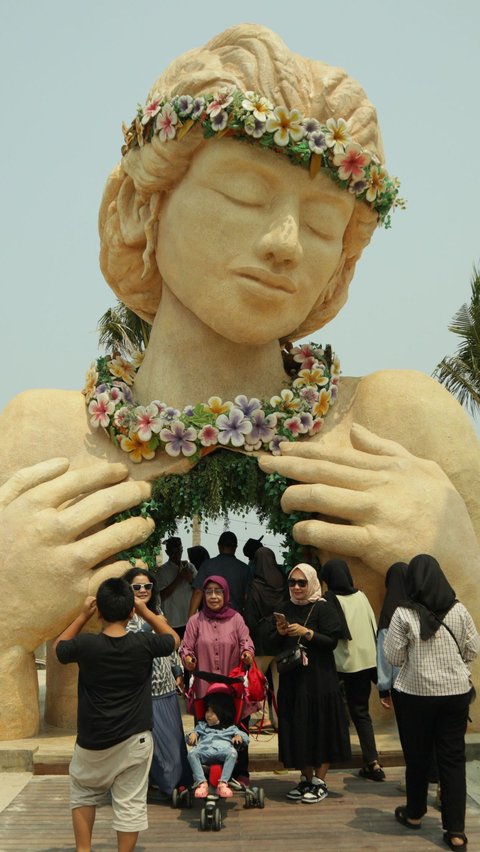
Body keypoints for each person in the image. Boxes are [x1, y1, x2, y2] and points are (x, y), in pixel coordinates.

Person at [1, 23, 480, 742]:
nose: (285, 243)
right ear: (140, 206)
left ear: (341, 263)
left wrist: (466, 575)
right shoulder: (43, 438)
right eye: (245, 192)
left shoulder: (401, 425)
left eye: (322, 220)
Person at [54, 577, 179, 852]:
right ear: (130, 611)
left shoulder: (85, 645)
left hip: (92, 741)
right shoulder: (144, 643)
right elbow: (173, 639)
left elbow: (59, 648)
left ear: (99, 610)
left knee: (84, 793)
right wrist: (146, 610)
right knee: (130, 802)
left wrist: (82, 614)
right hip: (135, 740)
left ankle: (83, 850)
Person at [384, 554, 479, 849]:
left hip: (416, 696)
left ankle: (414, 813)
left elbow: (394, 657)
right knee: (452, 759)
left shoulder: (403, 613)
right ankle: (456, 831)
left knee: (418, 757)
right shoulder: (459, 609)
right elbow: (473, 649)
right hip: (455, 695)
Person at [267, 563, 351, 803]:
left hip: (320, 680)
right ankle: (305, 779)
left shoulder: (324, 608)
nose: (296, 587)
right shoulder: (284, 607)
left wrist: (306, 632)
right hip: (293, 680)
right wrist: (280, 633)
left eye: (302, 582)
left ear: (312, 583)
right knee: (298, 727)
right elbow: (272, 645)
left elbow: (332, 641)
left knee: (321, 726)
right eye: (292, 582)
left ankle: (319, 781)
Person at [123, 566, 191, 797]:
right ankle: (151, 783)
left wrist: (176, 670)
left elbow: (171, 645)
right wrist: (150, 621)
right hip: (139, 690)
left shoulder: (157, 610)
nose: (143, 590)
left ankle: (173, 785)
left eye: (147, 586)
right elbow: (127, 643)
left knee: (171, 742)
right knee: (141, 744)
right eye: (137, 587)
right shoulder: (124, 614)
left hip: (164, 688)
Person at [181, 576, 255, 784]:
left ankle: (241, 771)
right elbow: (185, 647)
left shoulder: (236, 619)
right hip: (205, 689)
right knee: (205, 731)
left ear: (226, 594)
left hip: (231, 689)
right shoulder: (196, 621)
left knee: (237, 729)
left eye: (218, 591)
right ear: (203, 595)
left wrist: (247, 653)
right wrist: (187, 658)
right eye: (209, 591)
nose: (213, 596)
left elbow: (246, 642)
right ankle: (204, 773)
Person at [322, 558, 385, 781]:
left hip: (337, 665)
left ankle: (330, 757)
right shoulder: (361, 596)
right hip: (365, 663)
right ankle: (373, 761)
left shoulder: (328, 599)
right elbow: (373, 627)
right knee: (361, 712)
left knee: (331, 711)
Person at [244, 545, 289, 730]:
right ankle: (280, 721)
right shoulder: (284, 584)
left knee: (256, 679)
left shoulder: (255, 585)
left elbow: (251, 618)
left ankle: (260, 719)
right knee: (280, 683)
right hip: (280, 637)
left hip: (261, 639)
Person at [186, 685, 249, 798]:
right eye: (207, 711)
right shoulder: (202, 726)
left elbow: (245, 738)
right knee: (191, 753)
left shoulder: (230, 728)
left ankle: (223, 783)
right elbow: (192, 734)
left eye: (212, 712)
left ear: (222, 713)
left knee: (233, 753)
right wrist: (193, 735)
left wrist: (239, 736)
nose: (208, 715)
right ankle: (202, 783)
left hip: (223, 753)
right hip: (204, 752)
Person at [189, 531, 251, 616]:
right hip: (235, 619)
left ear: (219, 546)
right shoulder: (245, 569)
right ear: (235, 547)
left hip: (210, 620)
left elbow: (198, 592)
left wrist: (190, 620)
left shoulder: (207, 565)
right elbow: (247, 599)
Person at [376, 561, 408, 709]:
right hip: (425, 681)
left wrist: (383, 689)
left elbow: (385, 655)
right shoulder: (422, 608)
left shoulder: (389, 612)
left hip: (400, 684)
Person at [153, 537, 196, 639]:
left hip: (189, 619)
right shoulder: (162, 571)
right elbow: (161, 596)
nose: (177, 554)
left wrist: (191, 580)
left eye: (179, 551)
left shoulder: (190, 567)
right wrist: (179, 578)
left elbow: (199, 590)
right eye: (174, 552)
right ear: (167, 552)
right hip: (172, 621)